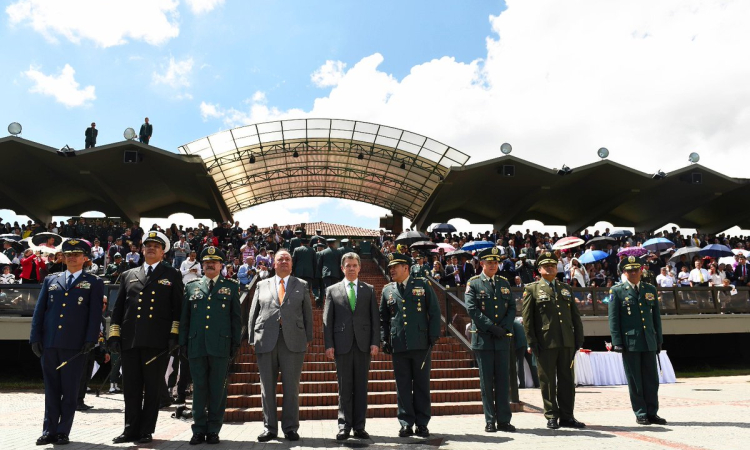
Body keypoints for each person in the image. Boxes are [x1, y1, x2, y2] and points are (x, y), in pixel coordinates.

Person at [108, 231, 184, 444]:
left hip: (157, 341)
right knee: (131, 388)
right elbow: (118, 308)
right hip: (130, 340)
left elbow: (177, 308)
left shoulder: (172, 274)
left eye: (156, 246)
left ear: (163, 252)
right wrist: (114, 334)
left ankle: (146, 430)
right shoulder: (128, 274)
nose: (151, 248)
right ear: (142, 249)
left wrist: (174, 335)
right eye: (148, 245)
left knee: (152, 389)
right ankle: (130, 429)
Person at [29, 239, 104, 445]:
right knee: (51, 389)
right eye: (68, 254)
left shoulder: (94, 282)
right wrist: (35, 337)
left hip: (75, 346)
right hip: (50, 343)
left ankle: (63, 431)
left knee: (70, 390)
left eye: (77, 254)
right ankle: (48, 430)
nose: (72, 257)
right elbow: (40, 312)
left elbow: (94, 315)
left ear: (85, 258)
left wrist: (91, 339)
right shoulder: (51, 280)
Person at [179, 246, 241, 445]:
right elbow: (185, 319)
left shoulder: (231, 287)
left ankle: (213, 429)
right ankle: (198, 429)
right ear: (202, 265)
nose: (209, 265)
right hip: (196, 345)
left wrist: (234, 344)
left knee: (217, 390)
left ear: (221, 265)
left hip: (220, 346)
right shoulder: (192, 287)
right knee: (199, 389)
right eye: (206, 262)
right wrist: (183, 343)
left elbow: (235, 319)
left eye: (214, 262)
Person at [249, 249, 313, 442]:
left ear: (292, 264)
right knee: (267, 388)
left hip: (293, 342)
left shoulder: (301, 285)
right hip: (265, 340)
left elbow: (308, 314)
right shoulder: (261, 285)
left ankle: (290, 428)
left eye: (287, 259)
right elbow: (253, 312)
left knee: (291, 388)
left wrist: (307, 338)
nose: (284, 261)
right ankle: (269, 428)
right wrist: (252, 339)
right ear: (273, 264)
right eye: (280, 259)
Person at [379, 252, 441, 438]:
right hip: (398, 344)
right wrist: (384, 339)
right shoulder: (387, 290)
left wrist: (433, 336)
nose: (391, 270)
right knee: (403, 385)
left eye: (395, 267)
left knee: (422, 385)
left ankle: (422, 423)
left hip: (421, 343)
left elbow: (435, 311)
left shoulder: (422, 285)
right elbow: (384, 317)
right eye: (390, 267)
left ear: (406, 268)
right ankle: (406, 422)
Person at [522, 251, 585, 430]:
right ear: (539, 269)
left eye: (553, 265)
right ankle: (551, 415)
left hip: (567, 342)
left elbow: (575, 316)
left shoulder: (566, 288)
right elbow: (527, 319)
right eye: (546, 266)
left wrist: (578, 339)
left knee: (567, 381)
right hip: (545, 342)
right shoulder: (532, 289)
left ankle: (567, 416)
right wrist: (532, 342)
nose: (550, 268)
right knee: (548, 381)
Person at [323, 252, 379, 440]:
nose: (352, 268)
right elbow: (327, 320)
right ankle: (344, 426)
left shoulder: (369, 289)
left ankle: (359, 426)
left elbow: (375, 319)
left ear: (360, 267)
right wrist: (329, 344)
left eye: (355, 265)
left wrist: (375, 341)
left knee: (361, 387)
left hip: (363, 345)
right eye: (348, 265)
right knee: (344, 387)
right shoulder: (332, 290)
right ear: (342, 268)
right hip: (341, 345)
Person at [609, 256, 667, 426]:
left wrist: (659, 339)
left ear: (641, 270)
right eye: (630, 270)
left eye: (637, 269)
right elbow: (614, 319)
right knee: (635, 380)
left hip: (649, 340)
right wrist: (617, 342)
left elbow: (656, 317)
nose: (634, 273)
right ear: (624, 272)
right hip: (630, 342)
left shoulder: (650, 289)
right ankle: (640, 412)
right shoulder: (617, 291)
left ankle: (652, 412)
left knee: (651, 379)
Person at [464, 247, 516, 433]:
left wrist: (504, 327)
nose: (493, 265)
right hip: (484, 339)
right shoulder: (474, 283)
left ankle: (504, 420)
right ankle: (490, 420)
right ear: (481, 264)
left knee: (503, 381)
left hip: (502, 339)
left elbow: (511, 307)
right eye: (489, 262)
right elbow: (472, 309)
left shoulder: (504, 282)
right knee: (487, 382)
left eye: (496, 262)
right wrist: (491, 327)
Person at [514, 317, 539, 388]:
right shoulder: (522, 322)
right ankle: (537, 383)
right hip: (527, 344)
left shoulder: (513, 322)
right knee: (532, 365)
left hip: (519, 345)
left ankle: (522, 384)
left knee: (520, 364)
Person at [292, 237, 318, 303]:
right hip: (309, 273)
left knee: (298, 289)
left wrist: (292, 272)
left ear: (301, 243)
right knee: (307, 290)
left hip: (298, 273)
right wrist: (314, 273)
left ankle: (298, 303)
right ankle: (306, 304)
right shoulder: (312, 250)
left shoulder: (296, 250)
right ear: (308, 243)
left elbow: (293, 262)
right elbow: (315, 263)